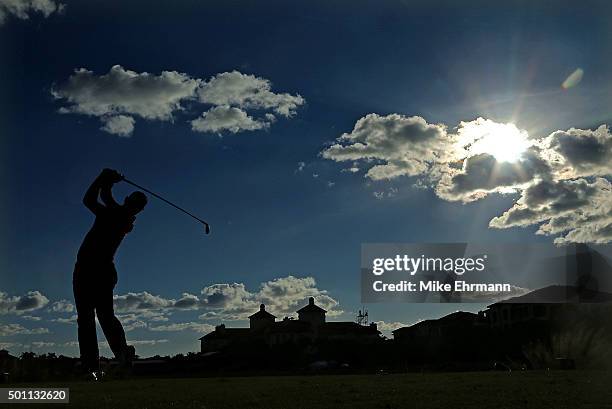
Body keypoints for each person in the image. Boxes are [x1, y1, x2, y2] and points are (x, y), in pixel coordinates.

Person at [73, 168, 147, 376]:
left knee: (90, 318)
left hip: (93, 270)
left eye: (133, 201)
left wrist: (103, 177)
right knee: (100, 317)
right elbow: (106, 197)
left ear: (134, 208)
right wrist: (107, 181)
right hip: (95, 269)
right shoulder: (122, 215)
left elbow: (89, 200)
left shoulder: (117, 215)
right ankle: (118, 355)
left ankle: (96, 364)